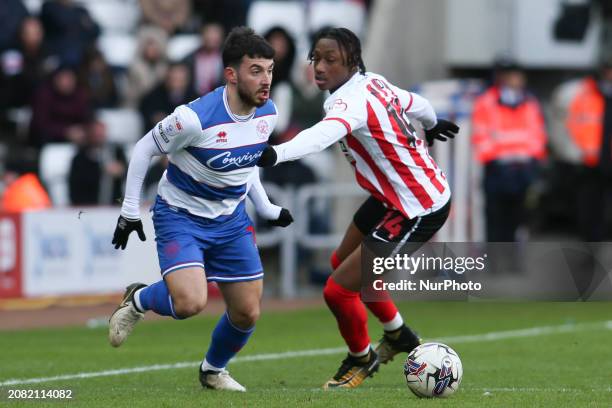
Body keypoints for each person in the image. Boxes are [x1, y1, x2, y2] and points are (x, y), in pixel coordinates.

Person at [257, 27, 459, 389]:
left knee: (338, 290)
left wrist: (275, 153)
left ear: (352, 62)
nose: (319, 67)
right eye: (315, 58)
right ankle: (398, 334)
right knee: (342, 266)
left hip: (417, 207)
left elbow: (321, 136)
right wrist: (432, 124)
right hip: (389, 197)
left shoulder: (350, 102)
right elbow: (419, 104)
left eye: (330, 60)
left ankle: (361, 358)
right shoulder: (372, 82)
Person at [108, 27, 293, 392]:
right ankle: (140, 298)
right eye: (256, 70)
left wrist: (266, 206)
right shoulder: (194, 118)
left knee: (247, 312)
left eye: (269, 70)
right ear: (231, 74)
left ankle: (212, 371)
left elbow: (247, 161)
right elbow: (144, 148)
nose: (265, 80)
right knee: (191, 302)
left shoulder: (267, 112)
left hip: (231, 219)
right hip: (181, 216)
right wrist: (130, 210)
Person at [471, 57, 547, 242]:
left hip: (523, 168)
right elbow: (480, 134)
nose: (517, 79)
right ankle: (495, 261)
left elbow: (537, 133)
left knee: (519, 217)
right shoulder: (487, 102)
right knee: (496, 216)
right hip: (498, 168)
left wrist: (532, 159)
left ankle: (512, 260)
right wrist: (494, 159)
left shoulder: (529, 102)